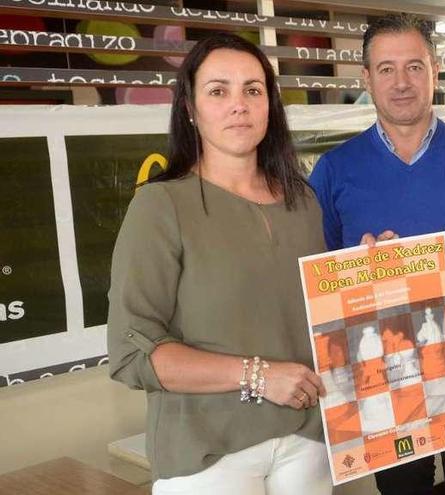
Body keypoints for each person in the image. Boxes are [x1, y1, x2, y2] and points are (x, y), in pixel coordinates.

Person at [106, 33, 331, 495]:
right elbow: (133, 353)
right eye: (218, 90)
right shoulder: (161, 206)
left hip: (308, 438)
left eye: (253, 89)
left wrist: (375, 268)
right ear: (190, 108)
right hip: (209, 453)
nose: (239, 105)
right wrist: (259, 375)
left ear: (270, 104)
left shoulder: (303, 200)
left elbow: (317, 312)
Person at [308, 13, 445, 495]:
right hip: (385, 371)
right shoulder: (334, 171)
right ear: (366, 78)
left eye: (414, 67)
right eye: (385, 69)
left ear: (435, 71)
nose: (401, 82)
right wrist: (357, 274)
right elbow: (321, 264)